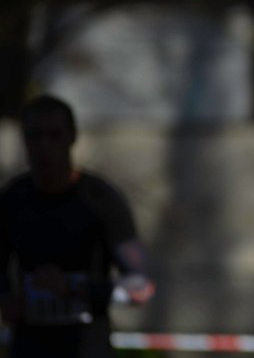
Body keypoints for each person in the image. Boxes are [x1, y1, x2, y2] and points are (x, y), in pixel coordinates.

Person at [0, 94, 156, 358]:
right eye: (34, 136)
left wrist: (74, 288)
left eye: (54, 135)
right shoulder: (13, 200)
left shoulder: (100, 200)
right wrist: (6, 298)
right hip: (29, 347)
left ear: (72, 137)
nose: (44, 146)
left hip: (87, 347)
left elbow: (141, 286)